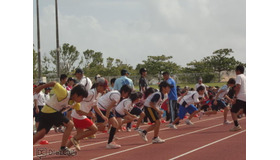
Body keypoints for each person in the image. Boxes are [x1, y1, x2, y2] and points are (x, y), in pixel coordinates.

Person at [33, 82, 88, 154]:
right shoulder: (64, 93)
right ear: (75, 94)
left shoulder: (76, 103)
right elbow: (53, 83)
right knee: (70, 125)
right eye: (81, 97)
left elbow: (79, 112)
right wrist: (40, 87)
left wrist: (88, 114)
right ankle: (63, 148)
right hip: (49, 110)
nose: (82, 99)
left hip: (48, 113)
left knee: (40, 134)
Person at [66, 77, 109, 151]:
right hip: (79, 115)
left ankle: (65, 149)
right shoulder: (90, 93)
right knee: (94, 129)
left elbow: (95, 106)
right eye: (104, 87)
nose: (105, 89)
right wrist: (86, 113)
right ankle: (73, 140)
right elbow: (78, 99)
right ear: (99, 86)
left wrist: (102, 116)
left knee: (79, 136)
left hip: (80, 115)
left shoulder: (97, 94)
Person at [97, 85, 133, 149]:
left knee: (115, 124)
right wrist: (106, 120)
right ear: (124, 91)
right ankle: (89, 128)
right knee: (101, 127)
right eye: (128, 93)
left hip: (104, 107)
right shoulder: (117, 96)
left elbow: (111, 108)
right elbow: (108, 108)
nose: (129, 95)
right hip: (101, 107)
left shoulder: (117, 94)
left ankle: (110, 143)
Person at [230, 65, 246, 131]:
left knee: (233, 110)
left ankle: (237, 125)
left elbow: (238, 87)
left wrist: (235, 97)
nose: (235, 72)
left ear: (238, 71)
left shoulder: (239, 76)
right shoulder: (245, 77)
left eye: (235, 71)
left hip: (240, 96)